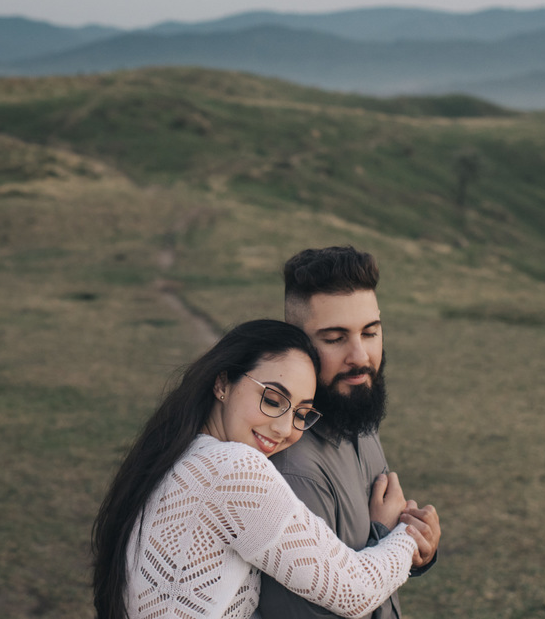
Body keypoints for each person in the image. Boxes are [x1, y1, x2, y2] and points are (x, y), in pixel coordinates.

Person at [92, 319, 430, 619]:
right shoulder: (233, 467)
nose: (285, 429)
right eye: (272, 400)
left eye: (301, 414)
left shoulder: (174, 456)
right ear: (222, 384)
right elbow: (353, 592)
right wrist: (403, 535)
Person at [259, 247, 441, 619]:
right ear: (297, 345)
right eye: (335, 338)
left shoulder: (355, 413)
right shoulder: (294, 475)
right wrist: (387, 540)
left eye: (370, 332)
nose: (360, 356)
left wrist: (416, 543)